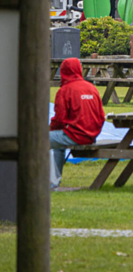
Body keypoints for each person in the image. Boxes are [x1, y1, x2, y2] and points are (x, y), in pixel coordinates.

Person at [50, 58, 105, 190]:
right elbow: (101, 116)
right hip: (91, 136)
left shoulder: (65, 90)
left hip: (74, 135)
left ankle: (46, 181)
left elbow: (60, 119)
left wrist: (50, 129)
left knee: (39, 140)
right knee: (58, 146)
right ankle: (52, 182)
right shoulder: (91, 88)